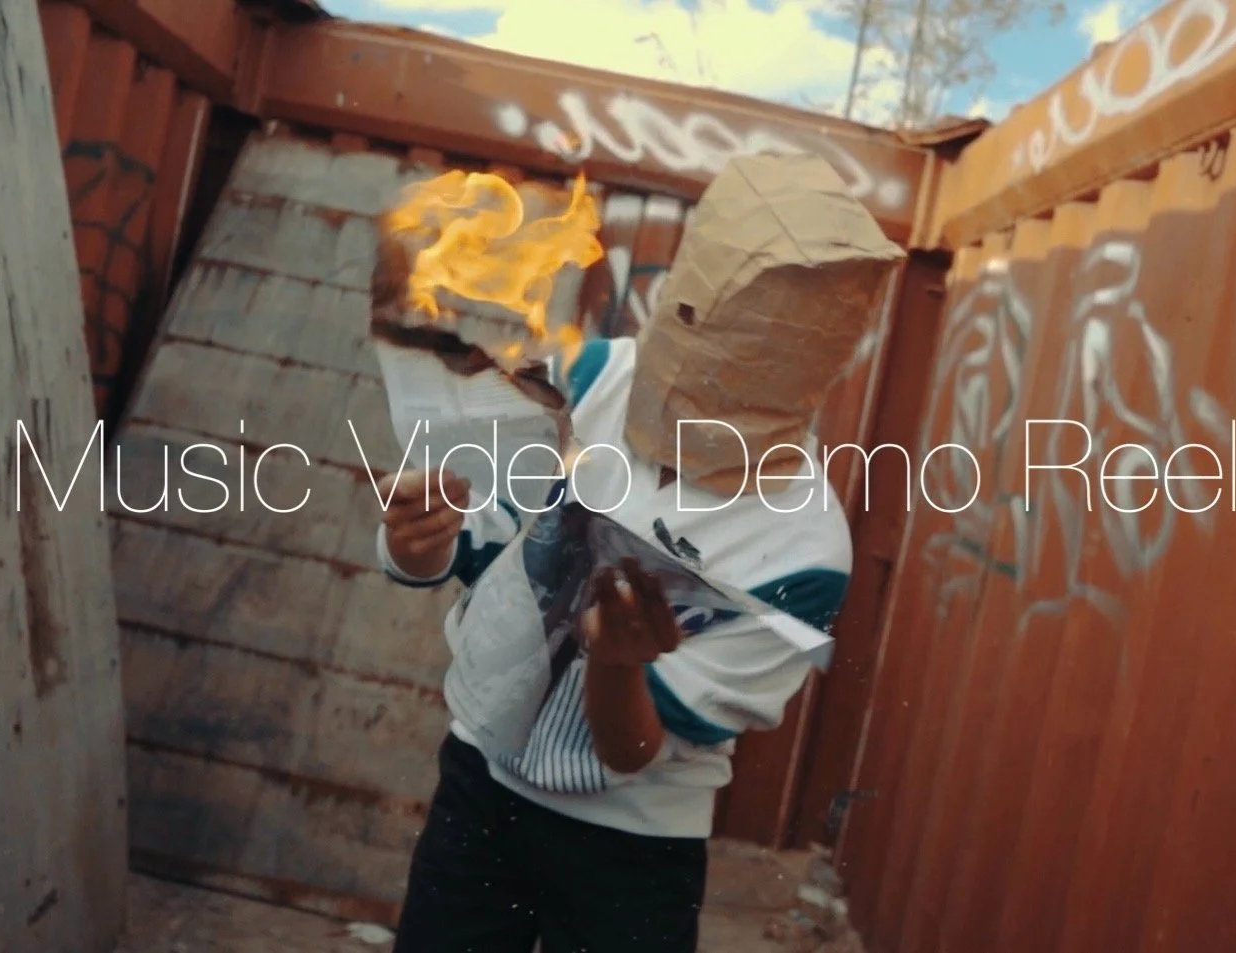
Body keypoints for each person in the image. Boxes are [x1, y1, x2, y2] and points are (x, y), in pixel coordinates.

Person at [374, 152, 906, 953]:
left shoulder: (803, 552)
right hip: (479, 787)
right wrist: (415, 539)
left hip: (630, 849)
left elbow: (630, 754)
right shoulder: (592, 379)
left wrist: (618, 664)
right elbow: (475, 542)